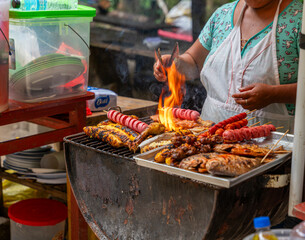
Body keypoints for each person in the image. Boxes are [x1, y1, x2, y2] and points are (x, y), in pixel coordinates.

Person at [154, 0, 302, 132]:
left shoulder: (300, 20)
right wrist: (175, 65)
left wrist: (274, 94)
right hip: (208, 138)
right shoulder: (222, 15)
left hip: (273, 144)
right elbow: (193, 61)